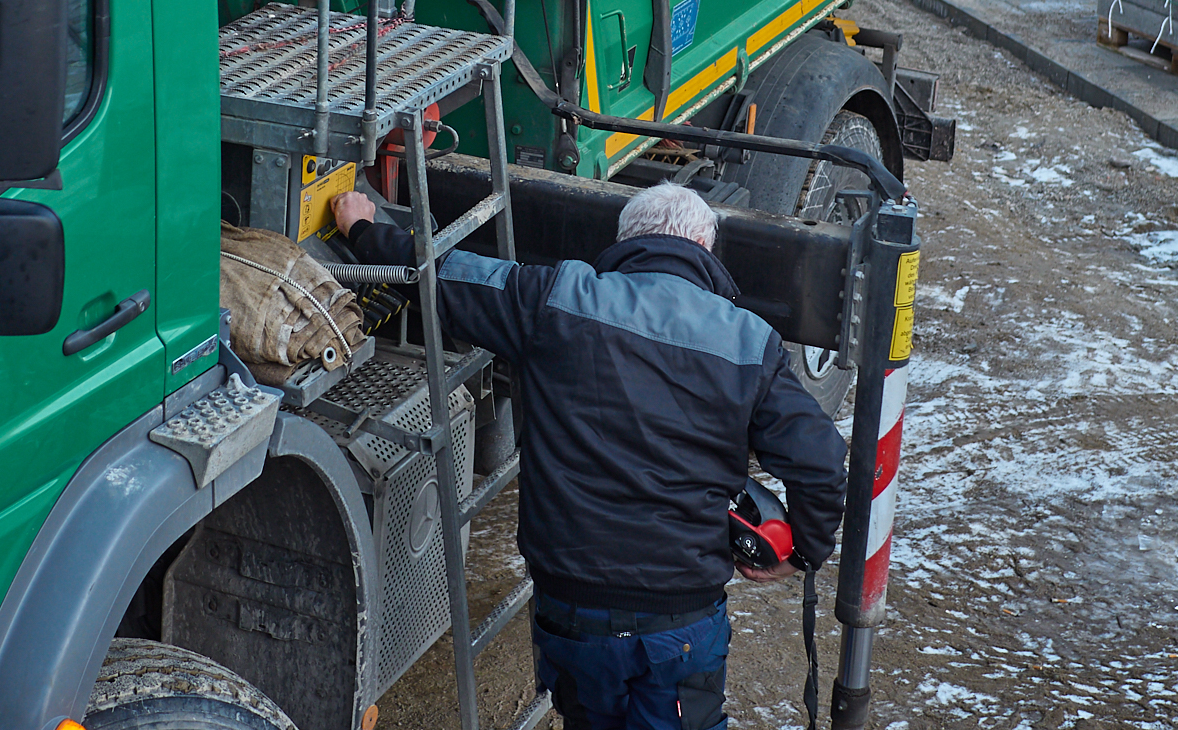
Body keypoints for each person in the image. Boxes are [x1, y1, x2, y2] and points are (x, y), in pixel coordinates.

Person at [332, 180, 847, 730]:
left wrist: (364, 230)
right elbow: (820, 463)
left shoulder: (556, 297)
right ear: (704, 245)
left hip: (572, 615)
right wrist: (803, 551)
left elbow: (445, 277)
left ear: (626, 240)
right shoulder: (749, 341)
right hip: (680, 621)